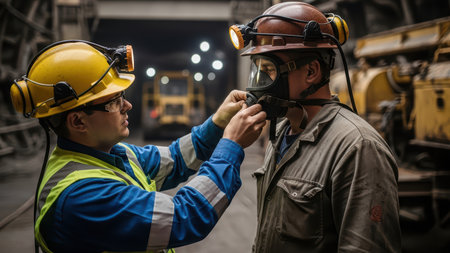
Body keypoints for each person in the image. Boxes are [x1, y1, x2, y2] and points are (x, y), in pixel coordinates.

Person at [9, 40, 266, 253]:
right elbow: (182, 217)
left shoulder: (113, 155)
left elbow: (177, 159)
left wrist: (218, 123)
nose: (127, 105)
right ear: (78, 121)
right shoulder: (81, 197)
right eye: (113, 101)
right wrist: (231, 145)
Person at [229, 2, 401, 252]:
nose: (258, 85)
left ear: (311, 71)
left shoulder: (357, 148)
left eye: (269, 71)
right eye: (257, 71)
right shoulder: (283, 135)